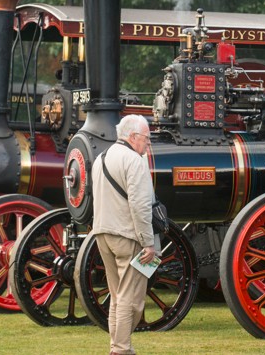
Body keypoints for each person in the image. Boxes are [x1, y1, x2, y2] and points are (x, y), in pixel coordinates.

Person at [91, 114, 156, 355]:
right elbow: (140, 206)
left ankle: (118, 347)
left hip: (102, 234)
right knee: (131, 299)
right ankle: (121, 349)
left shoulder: (100, 158)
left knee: (117, 296)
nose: (148, 144)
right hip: (128, 236)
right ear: (132, 136)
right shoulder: (134, 160)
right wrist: (148, 243)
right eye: (146, 139)